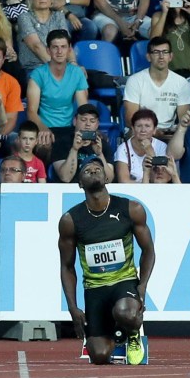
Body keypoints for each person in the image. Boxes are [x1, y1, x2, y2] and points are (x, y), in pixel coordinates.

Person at [58, 157, 155, 366]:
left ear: (107, 177)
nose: (93, 172)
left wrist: (143, 285)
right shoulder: (70, 220)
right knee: (99, 356)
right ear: (80, 183)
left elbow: (148, 250)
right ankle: (115, 335)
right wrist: (72, 307)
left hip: (124, 282)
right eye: (87, 171)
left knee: (125, 312)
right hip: (95, 289)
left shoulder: (131, 209)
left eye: (97, 169)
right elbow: (66, 266)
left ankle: (132, 334)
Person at [123, 36, 190, 138]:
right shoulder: (135, 80)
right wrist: (153, 132)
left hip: (168, 133)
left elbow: (184, 118)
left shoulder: (181, 82)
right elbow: (131, 119)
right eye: (156, 52)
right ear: (148, 57)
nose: (161, 56)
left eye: (165, 52)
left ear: (171, 56)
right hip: (141, 130)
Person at [50, 102, 116, 183]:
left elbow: (108, 180)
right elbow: (65, 178)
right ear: (75, 121)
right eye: (83, 120)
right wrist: (74, 149)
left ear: (97, 124)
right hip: (70, 190)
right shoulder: (61, 143)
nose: (88, 124)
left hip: (94, 188)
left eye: (92, 121)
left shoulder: (103, 145)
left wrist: (99, 154)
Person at [17, 0, 73, 72]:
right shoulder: (24, 17)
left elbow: (66, 44)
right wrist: (58, 68)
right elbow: (36, 46)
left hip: (61, 67)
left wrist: (73, 63)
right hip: (34, 68)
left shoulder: (58, 16)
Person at [116, 108, 167, 183]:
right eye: (139, 126)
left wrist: (150, 151)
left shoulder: (161, 146)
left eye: (147, 126)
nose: (143, 130)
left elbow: (159, 179)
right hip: (132, 192)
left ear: (154, 130)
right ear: (133, 129)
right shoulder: (123, 149)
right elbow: (124, 181)